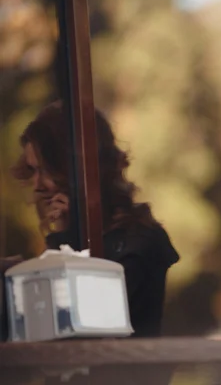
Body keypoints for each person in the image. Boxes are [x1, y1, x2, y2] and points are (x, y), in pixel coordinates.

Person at [11, 101, 179, 337]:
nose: (37, 185)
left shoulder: (137, 241)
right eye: (33, 171)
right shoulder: (76, 235)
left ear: (73, 168)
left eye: (45, 170)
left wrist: (69, 241)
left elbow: (88, 326)